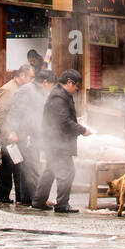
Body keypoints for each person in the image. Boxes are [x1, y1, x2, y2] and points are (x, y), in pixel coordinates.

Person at [32, 69, 90, 213]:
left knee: (51, 170)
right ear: (70, 82)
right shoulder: (59, 97)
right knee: (67, 172)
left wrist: (77, 123)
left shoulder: (62, 94)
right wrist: (82, 130)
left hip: (54, 141)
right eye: (76, 86)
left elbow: (64, 118)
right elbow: (63, 121)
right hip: (57, 142)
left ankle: (39, 201)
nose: (77, 89)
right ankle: (62, 204)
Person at [0, 64, 33, 205]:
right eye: (30, 77)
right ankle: (3, 195)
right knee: (8, 166)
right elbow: (0, 112)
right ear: (22, 76)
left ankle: (20, 196)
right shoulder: (8, 89)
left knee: (18, 165)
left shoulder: (23, 89)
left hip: (19, 133)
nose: (31, 81)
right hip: (9, 134)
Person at [11, 68, 55, 201]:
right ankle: (37, 199)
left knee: (27, 168)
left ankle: (26, 199)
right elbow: (15, 111)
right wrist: (13, 131)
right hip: (26, 134)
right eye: (51, 85)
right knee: (32, 166)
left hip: (34, 134)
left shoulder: (38, 92)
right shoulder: (26, 90)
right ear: (45, 82)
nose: (51, 89)